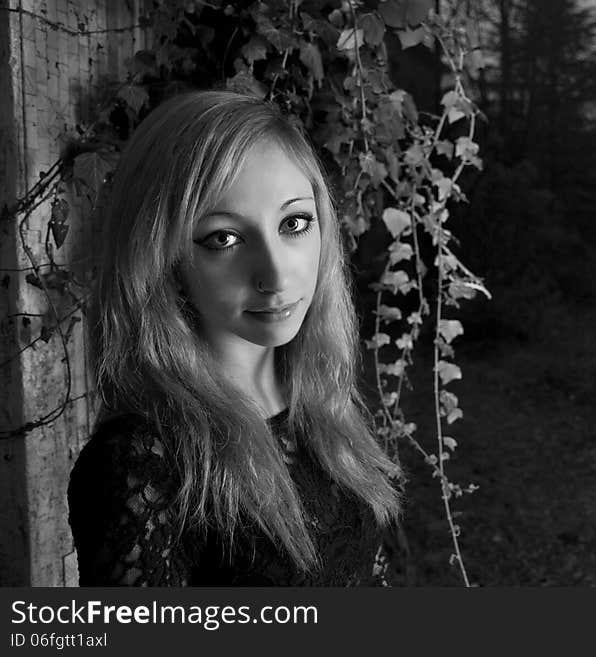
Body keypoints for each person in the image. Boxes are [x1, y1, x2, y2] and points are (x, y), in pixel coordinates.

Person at [67, 90, 401, 586]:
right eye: (224, 238)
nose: (275, 275)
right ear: (162, 259)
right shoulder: (142, 466)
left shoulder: (324, 406)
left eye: (295, 223)